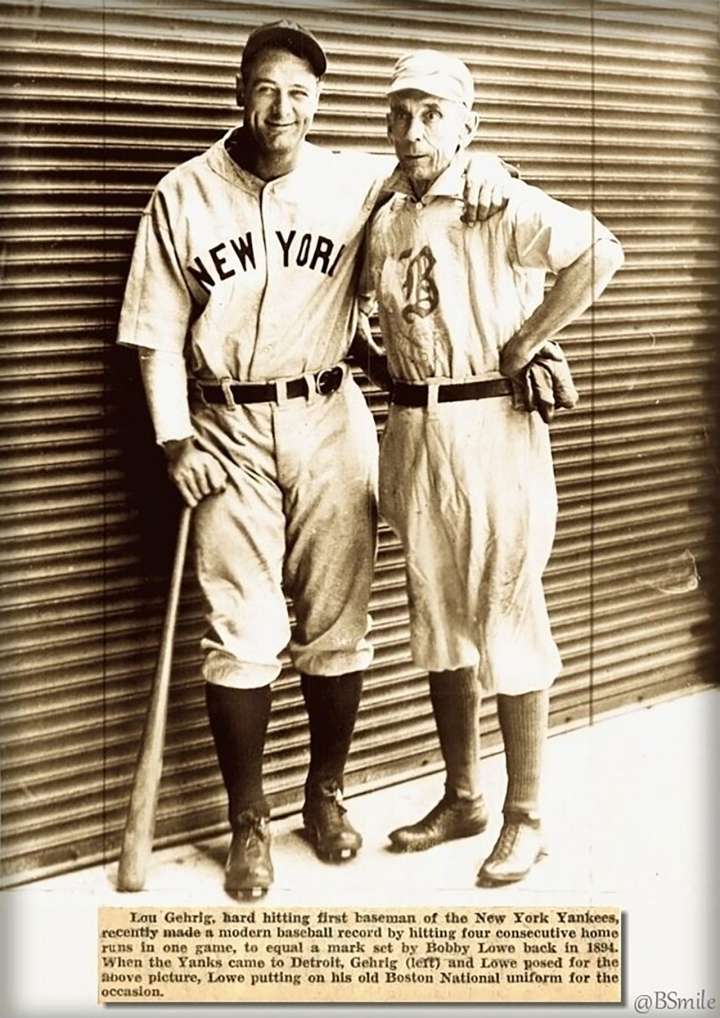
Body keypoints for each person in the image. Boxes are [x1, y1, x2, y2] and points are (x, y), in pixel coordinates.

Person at [116, 22, 513, 899]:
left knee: (338, 626)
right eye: (265, 87)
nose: (281, 107)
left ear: (320, 102)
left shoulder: (354, 180)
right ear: (238, 93)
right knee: (245, 634)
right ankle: (248, 819)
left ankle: (324, 793)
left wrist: (494, 184)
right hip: (225, 430)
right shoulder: (183, 194)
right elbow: (154, 335)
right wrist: (172, 439)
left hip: (332, 415)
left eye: (300, 91)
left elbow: (446, 182)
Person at [359, 50, 624, 886]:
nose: (412, 131)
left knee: (507, 616)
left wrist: (527, 341)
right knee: (438, 621)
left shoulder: (494, 196)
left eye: (433, 114)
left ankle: (527, 815)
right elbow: (374, 306)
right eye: (399, 114)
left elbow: (599, 252)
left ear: (468, 123)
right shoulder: (385, 210)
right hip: (411, 424)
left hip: (491, 430)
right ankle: (464, 794)